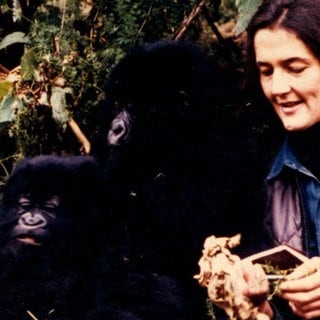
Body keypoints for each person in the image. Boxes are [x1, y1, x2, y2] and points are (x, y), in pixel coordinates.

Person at [217, 0, 320, 319]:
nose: (278, 88)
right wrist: (260, 310)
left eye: (296, 68)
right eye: (266, 71)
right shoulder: (270, 180)